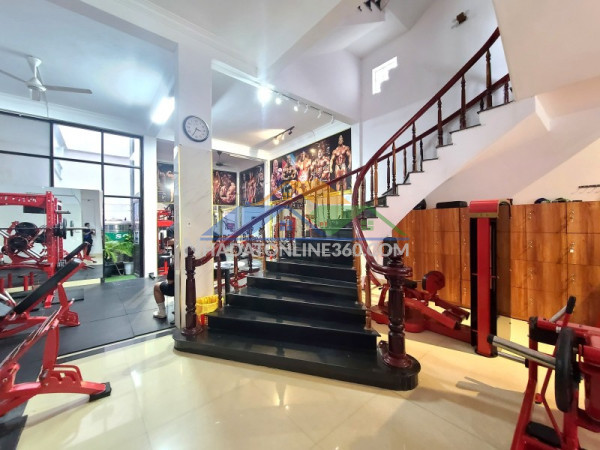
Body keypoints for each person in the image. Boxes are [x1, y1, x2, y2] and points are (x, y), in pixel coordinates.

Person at [154, 225, 174, 319]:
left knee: (156, 286)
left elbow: (170, 282)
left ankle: (162, 312)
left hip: (179, 289)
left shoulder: (171, 228)